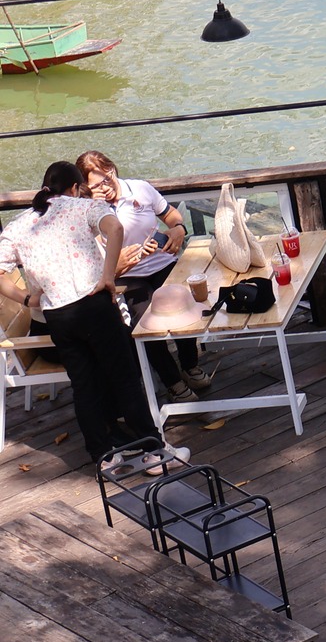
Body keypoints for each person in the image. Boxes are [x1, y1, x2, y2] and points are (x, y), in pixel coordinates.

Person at [0, 163, 184, 471]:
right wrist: (108, 276)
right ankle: (154, 452)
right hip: (94, 304)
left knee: (84, 385)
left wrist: (28, 298)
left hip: (57, 313)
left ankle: (104, 457)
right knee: (124, 377)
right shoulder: (83, 207)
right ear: (74, 188)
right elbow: (116, 229)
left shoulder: (20, 225)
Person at [75, 150, 207, 400]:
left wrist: (178, 229)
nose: (105, 188)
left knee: (184, 305)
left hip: (162, 261)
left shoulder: (139, 189)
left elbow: (170, 214)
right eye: (95, 186)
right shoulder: (88, 209)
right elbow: (92, 257)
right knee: (146, 324)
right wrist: (118, 262)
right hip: (127, 275)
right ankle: (173, 381)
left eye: (106, 180)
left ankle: (190, 364)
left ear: (112, 169)